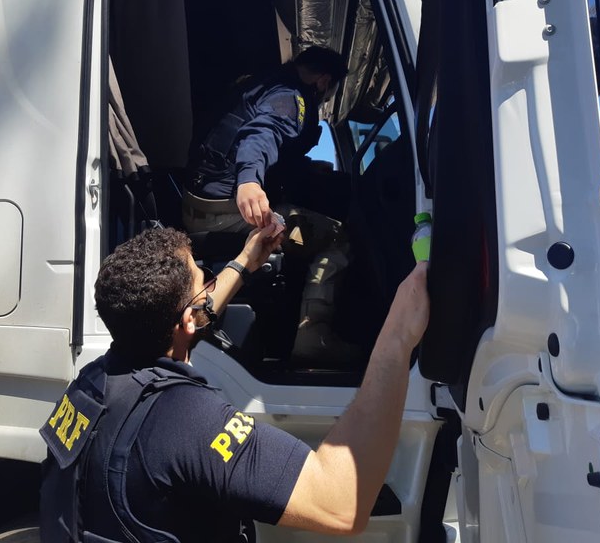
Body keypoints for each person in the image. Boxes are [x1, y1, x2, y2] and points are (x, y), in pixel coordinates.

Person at [39, 225, 430, 542]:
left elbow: (191, 315)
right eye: (203, 280)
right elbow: (341, 504)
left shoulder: (89, 385)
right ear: (187, 319)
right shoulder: (185, 419)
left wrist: (245, 262)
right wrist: (397, 337)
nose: (210, 287)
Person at [182, 46, 353, 362]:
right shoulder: (290, 97)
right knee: (337, 238)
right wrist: (249, 180)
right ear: (324, 80)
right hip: (228, 213)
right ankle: (313, 337)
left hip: (199, 205)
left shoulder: (260, 83)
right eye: (329, 93)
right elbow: (261, 134)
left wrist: (302, 169)